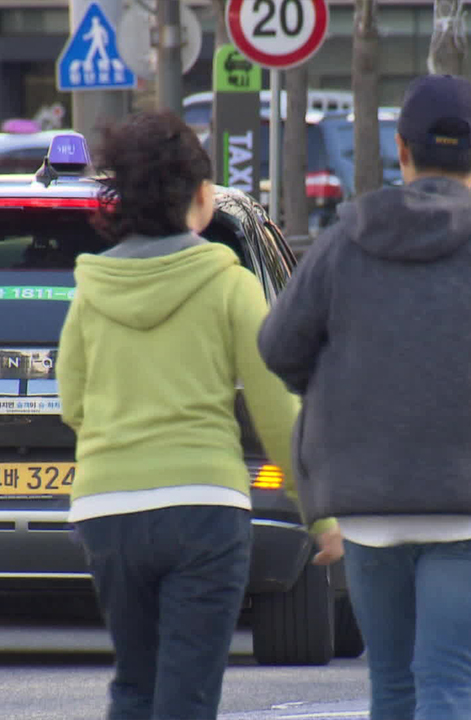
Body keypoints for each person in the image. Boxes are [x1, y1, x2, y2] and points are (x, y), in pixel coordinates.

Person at [257, 74, 471, 720]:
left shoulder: (341, 244)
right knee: (449, 691)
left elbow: (278, 349)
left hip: (373, 511)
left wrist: (357, 389)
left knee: (394, 691)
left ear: (401, 150)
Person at [56, 110, 340, 720]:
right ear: (201, 196)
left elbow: (73, 402)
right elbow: (274, 409)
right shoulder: (228, 283)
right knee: (186, 695)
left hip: (108, 513)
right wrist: (321, 517)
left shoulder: (89, 290)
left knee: (135, 684)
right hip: (203, 510)